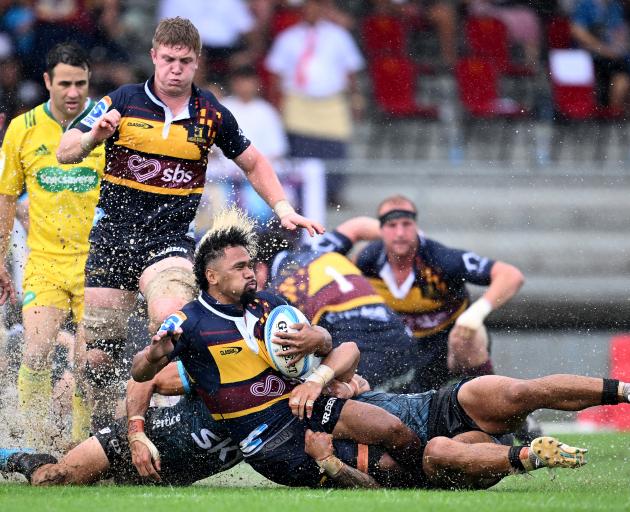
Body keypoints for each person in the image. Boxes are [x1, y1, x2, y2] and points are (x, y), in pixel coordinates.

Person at [55, 16, 324, 432]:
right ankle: (104, 431)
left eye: (184, 60)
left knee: (172, 325)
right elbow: (64, 150)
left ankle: (176, 423)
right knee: (96, 358)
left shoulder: (211, 113)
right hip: (112, 240)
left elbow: (253, 161)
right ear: (153, 57)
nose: (175, 68)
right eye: (167, 59)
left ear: (196, 62)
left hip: (168, 242)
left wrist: (284, 208)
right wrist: (93, 137)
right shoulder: (122, 102)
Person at [131, 206, 425, 488]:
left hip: (303, 407)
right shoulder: (189, 321)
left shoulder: (270, 303)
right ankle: (423, 481)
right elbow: (141, 374)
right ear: (213, 276)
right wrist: (152, 357)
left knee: (392, 428)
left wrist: (317, 338)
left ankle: (433, 475)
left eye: (250, 265)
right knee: (388, 466)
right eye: (239, 267)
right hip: (270, 442)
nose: (250, 273)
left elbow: (325, 342)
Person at [0, 42, 104, 446]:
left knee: (86, 362)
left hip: (95, 264)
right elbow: (7, 197)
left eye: (80, 83)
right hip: (43, 262)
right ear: (47, 82)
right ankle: (35, 442)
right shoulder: (22, 129)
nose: (73, 92)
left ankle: (79, 447)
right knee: (36, 354)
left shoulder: (105, 126)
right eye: (65, 83)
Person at [303, 370, 630, 489]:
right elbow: (372, 490)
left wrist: (330, 378)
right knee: (440, 450)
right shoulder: (310, 448)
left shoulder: (322, 388)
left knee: (520, 392)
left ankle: (624, 391)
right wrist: (328, 463)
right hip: (437, 462)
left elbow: (349, 355)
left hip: (442, 404)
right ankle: (538, 455)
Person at [356, 195, 525, 392]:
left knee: (466, 337)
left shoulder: (442, 260)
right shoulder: (366, 261)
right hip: (405, 348)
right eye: (392, 225)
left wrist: (476, 313)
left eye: (406, 224)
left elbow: (511, 275)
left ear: (416, 226)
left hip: (448, 345)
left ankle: (496, 404)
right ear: (380, 230)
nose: (400, 233)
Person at [0, 361, 241, 486]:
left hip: (161, 477)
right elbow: (141, 381)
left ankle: (70, 451)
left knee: (83, 474)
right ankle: (19, 458)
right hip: (128, 445)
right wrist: (136, 437)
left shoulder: (278, 404)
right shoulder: (225, 369)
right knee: (52, 480)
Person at [255, 217, 419, 391]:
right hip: (402, 340)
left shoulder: (277, 291)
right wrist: (411, 239)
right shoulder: (318, 249)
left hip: (362, 356)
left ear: (260, 269)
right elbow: (356, 226)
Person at [265, 0, 365, 209]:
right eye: (307, 7)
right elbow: (275, 74)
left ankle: (333, 194)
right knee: (301, 149)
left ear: (322, 10)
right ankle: (300, 196)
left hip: (332, 102)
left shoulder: (339, 36)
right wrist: (276, 104)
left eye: (316, 7)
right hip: (298, 101)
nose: (311, 11)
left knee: (335, 148)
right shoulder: (287, 38)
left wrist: (356, 99)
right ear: (302, 11)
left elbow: (351, 70)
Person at [571, 0, 630, 109]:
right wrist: (602, 48)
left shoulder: (615, 6)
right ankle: (612, 114)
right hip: (587, 57)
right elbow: (577, 31)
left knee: (622, 76)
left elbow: (619, 32)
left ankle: (616, 114)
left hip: (611, 57)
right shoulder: (585, 4)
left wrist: (619, 45)